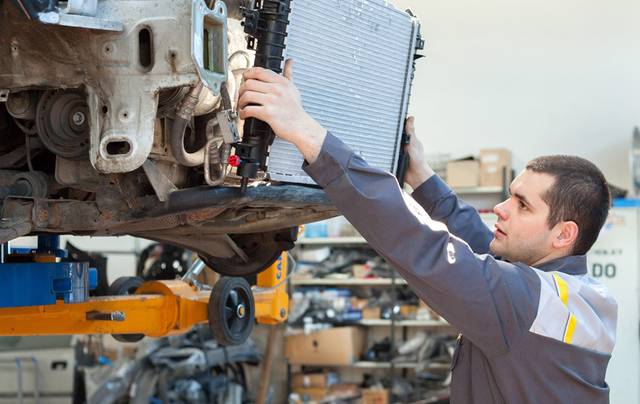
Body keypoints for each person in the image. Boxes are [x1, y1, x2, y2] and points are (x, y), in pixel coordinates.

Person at [237, 60, 617, 403]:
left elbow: (422, 245)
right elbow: (483, 247)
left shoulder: (527, 303)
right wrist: (421, 176)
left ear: (564, 234)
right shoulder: (577, 298)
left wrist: (306, 133)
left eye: (522, 204)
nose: (501, 209)